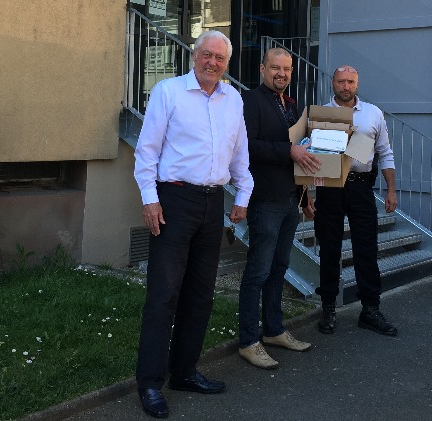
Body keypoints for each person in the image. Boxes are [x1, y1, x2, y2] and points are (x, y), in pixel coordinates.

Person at [132, 30, 253, 419]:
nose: (212, 63)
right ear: (194, 56)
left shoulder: (233, 99)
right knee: (164, 294)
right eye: (207, 55)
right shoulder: (168, 92)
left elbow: (239, 152)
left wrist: (243, 194)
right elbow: (147, 151)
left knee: (200, 294)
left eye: (220, 58)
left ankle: (184, 371)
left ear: (226, 64)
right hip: (174, 201)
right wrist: (149, 199)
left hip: (212, 202)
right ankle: (150, 382)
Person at [237, 48, 321, 369]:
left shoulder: (291, 105)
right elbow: (246, 146)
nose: (281, 74)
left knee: (279, 268)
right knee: (258, 272)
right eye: (275, 67)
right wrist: (288, 151)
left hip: (290, 199)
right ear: (263, 69)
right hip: (265, 199)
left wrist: (305, 194)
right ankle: (248, 341)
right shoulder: (250, 100)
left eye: (286, 69)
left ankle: (273, 330)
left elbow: (300, 151)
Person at [314, 65, 399, 337]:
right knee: (329, 248)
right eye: (341, 81)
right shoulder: (321, 113)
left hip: (361, 187)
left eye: (350, 81)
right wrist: (308, 195)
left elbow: (385, 152)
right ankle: (328, 307)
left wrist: (391, 189)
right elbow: (312, 157)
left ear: (357, 84)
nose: (346, 86)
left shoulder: (373, 113)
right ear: (333, 83)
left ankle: (370, 310)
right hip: (329, 187)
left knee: (366, 248)